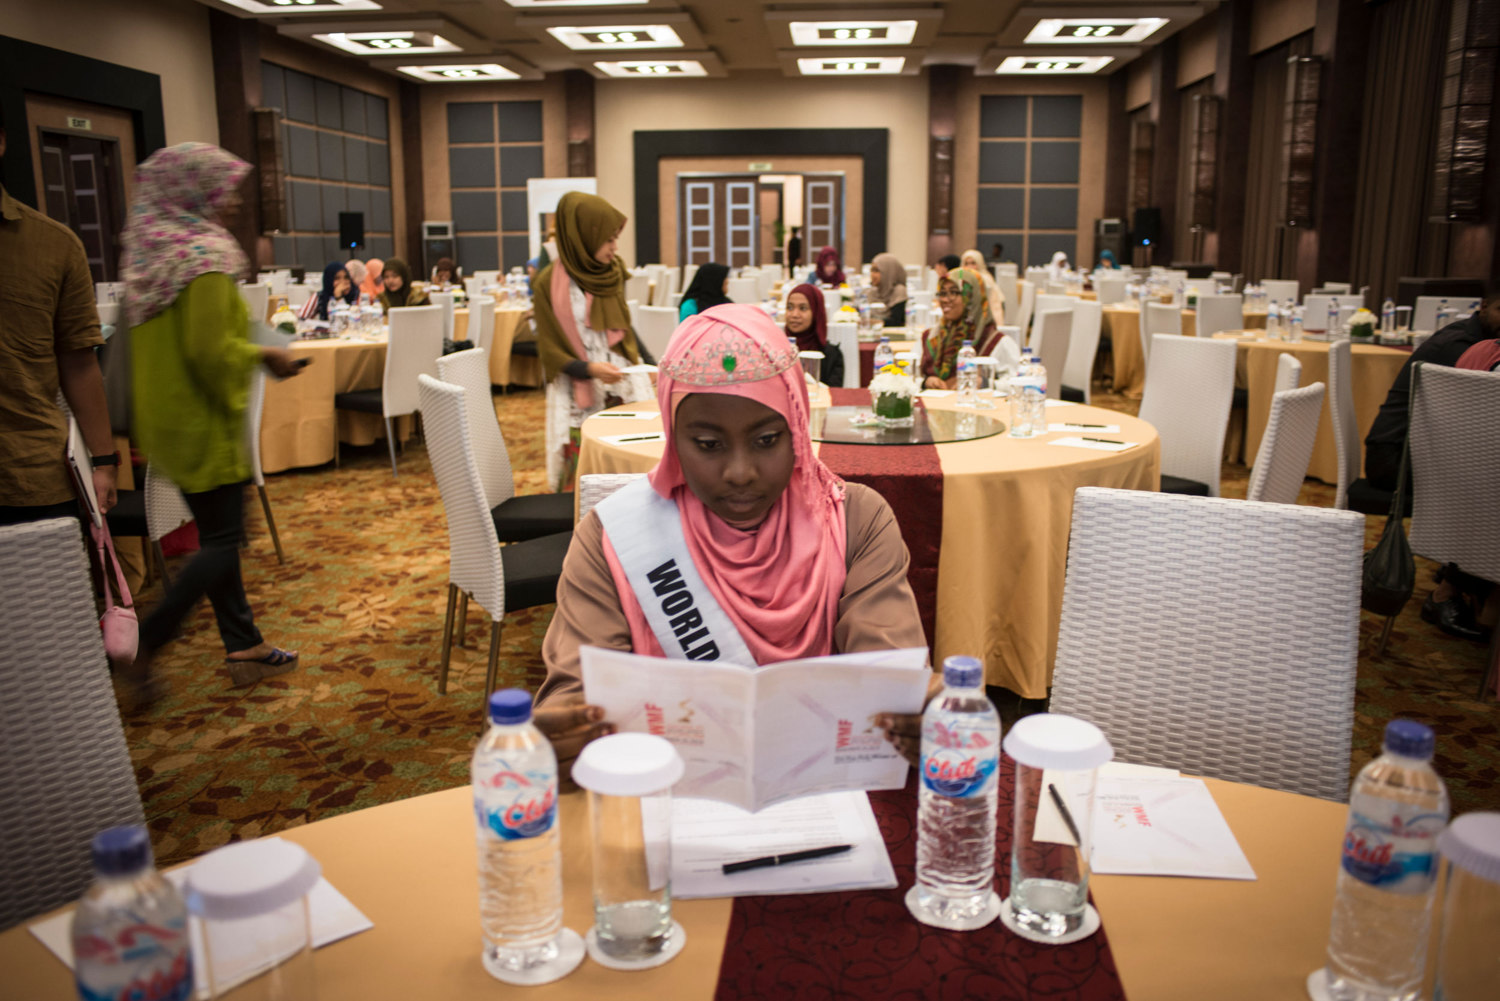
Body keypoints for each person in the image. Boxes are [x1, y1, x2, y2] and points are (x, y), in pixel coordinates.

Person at [532, 304, 935, 783]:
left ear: (798, 433)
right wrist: (563, 734)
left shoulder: (855, 520)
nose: (740, 473)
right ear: (673, 441)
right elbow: (577, 691)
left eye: (766, 440)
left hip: (822, 800)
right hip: (661, 800)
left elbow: (886, 667)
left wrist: (918, 707)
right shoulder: (613, 538)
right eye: (707, 444)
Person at [120, 142, 304, 700]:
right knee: (224, 541)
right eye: (221, 192)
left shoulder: (154, 251)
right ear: (195, 191)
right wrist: (266, 355)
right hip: (203, 417)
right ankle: (146, 641)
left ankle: (244, 645)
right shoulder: (202, 256)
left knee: (217, 535)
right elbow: (208, 349)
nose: (230, 204)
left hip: (170, 417)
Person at [0, 107, 119, 525]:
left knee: (45, 591)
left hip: (27, 474)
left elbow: (79, 363)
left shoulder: (52, 245)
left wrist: (103, 460)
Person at [1365, 282, 1500, 642]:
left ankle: (1470, 586)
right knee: (1488, 485)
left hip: (1431, 452)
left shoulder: (1472, 340)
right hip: (1393, 458)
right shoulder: (1468, 349)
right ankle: (1455, 590)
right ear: (1484, 306)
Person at [533, 191, 652, 492]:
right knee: (582, 476)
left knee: (627, 469)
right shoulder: (548, 283)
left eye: (616, 239)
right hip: (578, 387)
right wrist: (589, 369)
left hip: (620, 384)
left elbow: (623, 327)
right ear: (584, 235)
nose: (614, 247)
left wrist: (646, 362)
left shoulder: (611, 273)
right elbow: (548, 349)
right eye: (608, 239)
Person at [921, 267, 999, 390]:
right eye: (943, 293)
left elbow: (1018, 382)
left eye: (954, 293)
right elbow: (908, 375)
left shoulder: (993, 340)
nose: (945, 300)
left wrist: (983, 383)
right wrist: (926, 381)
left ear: (972, 296)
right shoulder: (932, 336)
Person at [785, 282, 844, 386]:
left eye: (803, 308)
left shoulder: (831, 355)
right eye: (790, 307)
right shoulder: (777, 351)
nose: (794, 315)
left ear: (816, 313)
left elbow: (834, 395)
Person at [961, 248, 1006, 324]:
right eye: (966, 263)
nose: (969, 266)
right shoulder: (961, 278)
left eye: (973, 263)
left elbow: (995, 306)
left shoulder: (985, 279)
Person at [868, 253, 908, 328]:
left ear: (889, 272)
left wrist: (872, 322)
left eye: (876, 270)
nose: (872, 275)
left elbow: (896, 322)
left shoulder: (899, 291)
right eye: (872, 270)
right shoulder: (873, 291)